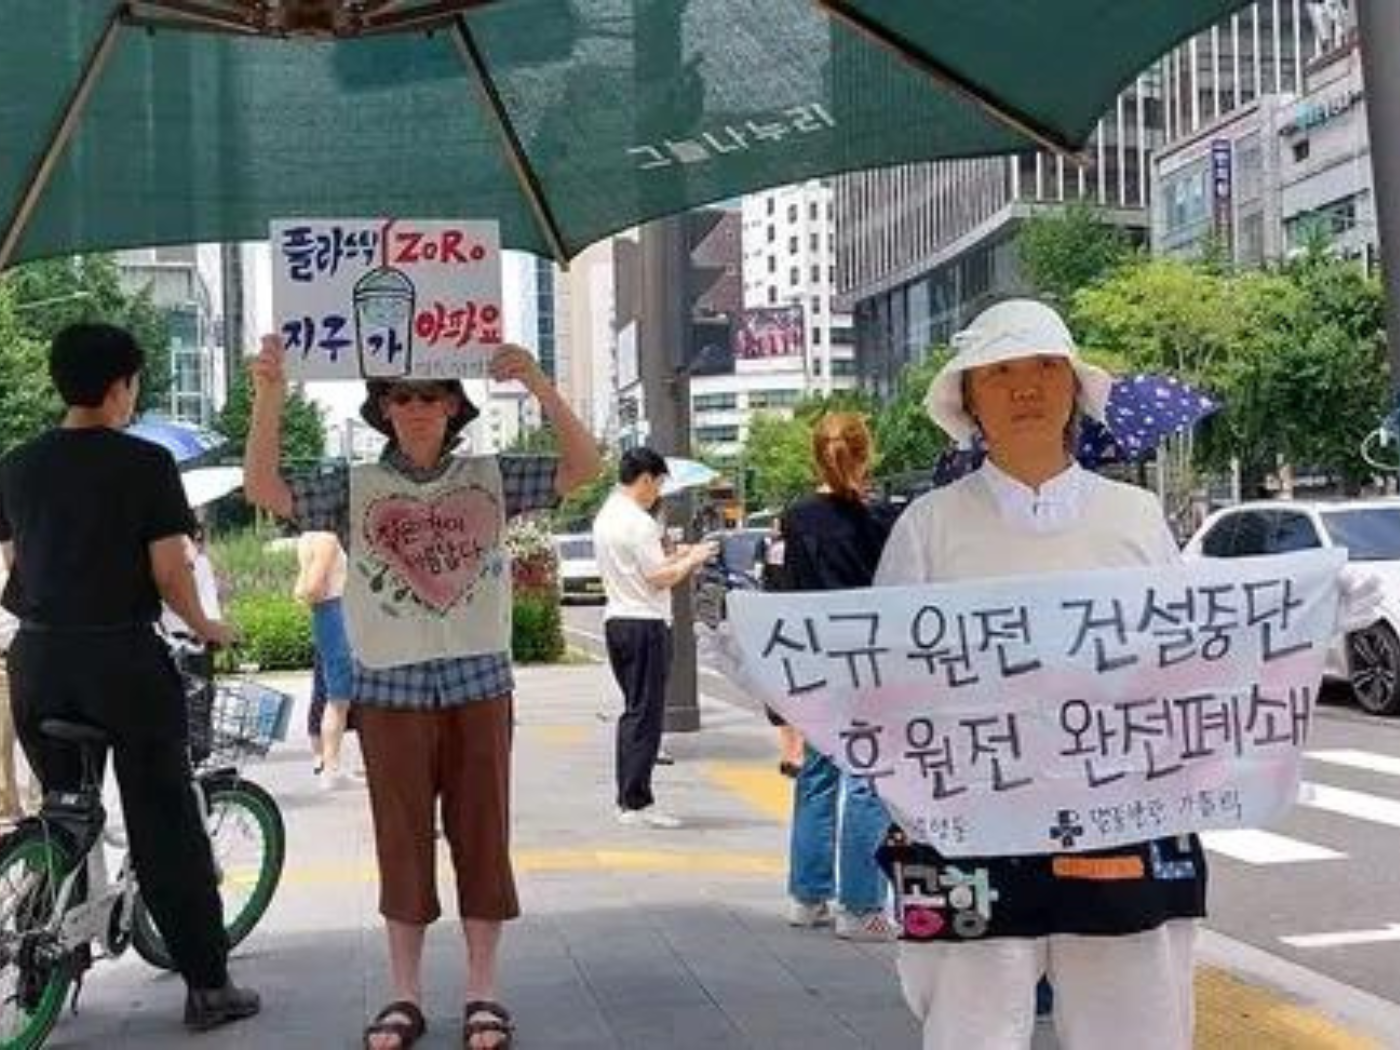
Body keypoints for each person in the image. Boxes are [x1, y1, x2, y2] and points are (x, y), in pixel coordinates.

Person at [244, 334, 599, 1050]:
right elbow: (264, 489)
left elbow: (585, 465)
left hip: (478, 681)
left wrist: (536, 381)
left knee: (482, 834)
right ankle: (403, 994)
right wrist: (270, 396)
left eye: (428, 395)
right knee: (399, 839)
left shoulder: (492, 478)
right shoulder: (355, 486)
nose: (413, 408)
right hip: (390, 687)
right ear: (381, 408)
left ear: (453, 406)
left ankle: (482, 991)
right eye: (398, 396)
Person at [874, 299, 1204, 1050]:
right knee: (970, 1028)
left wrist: (1299, 624)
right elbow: (885, 680)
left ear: (1073, 389)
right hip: (966, 823)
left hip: (1122, 813)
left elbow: (1188, 659)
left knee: (1136, 1023)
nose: (1025, 387)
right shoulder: (928, 526)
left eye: (1044, 367)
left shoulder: (1137, 515)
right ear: (969, 399)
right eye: (1000, 373)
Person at [0, 322, 259, 1030]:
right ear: (121, 386)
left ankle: (49, 954)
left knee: (63, 806)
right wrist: (207, 627)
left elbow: (15, 562)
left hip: (39, 660)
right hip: (120, 659)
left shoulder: (17, 464)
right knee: (164, 819)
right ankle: (208, 988)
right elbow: (169, 571)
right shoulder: (144, 464)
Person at [781, 414, 897, 942]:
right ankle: (861, 904)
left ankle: (807, 897)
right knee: (867, 780)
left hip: (811, 660)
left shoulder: (795, 518)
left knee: (818, 775)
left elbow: (783, 589)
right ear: (865, 454)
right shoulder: (881, 519)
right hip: (868, 661)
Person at [592, 448, 716, 829]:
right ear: (645, 479)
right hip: (645, 623)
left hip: (617, 620)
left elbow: (645, 563)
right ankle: (636, 802)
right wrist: (694, 557)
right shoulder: (639, 522)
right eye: (658, 483)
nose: (658, 492)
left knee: (635, 711)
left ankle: (629, 798)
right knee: (646, 715)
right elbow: (659, 577)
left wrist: (677, 554)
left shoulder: (606, 515)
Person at [294, 530, 354, 788]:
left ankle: (332, 766)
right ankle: (331, 769)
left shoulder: (305, 540)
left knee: (335, 696)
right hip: (337, 612)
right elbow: (313, 587)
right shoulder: (327, 539)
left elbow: (300, 589)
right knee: (339, 699)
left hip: (326, 615)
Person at [756, 515, 803, 778]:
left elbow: (767, 585)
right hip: (799, 627)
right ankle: (797, 755)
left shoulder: (773, 550)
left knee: (782, 693)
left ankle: (789, 755)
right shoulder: (799, 551)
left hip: (776, 626)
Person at [0, 570, 39, 824]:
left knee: (41, 739)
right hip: (4, 659)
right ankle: (11, 811)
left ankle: (40, 811)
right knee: (3, 744)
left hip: (32, 653)